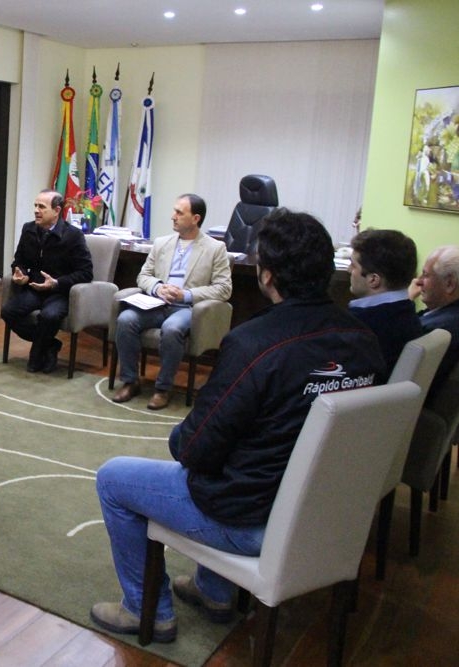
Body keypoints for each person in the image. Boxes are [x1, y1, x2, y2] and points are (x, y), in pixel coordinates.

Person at [91, 209, 384, 643]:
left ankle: (146, 608)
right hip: (325, 515)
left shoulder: (255, 344)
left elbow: (193, 450)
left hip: (252, 520)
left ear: (266, 276)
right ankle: (213, 589)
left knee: (115, 478)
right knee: (246, 449)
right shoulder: (366, 342)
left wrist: (183, 437)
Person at [112, 194, 232, 409]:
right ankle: (131, 381)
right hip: (157, 303)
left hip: (188, 308)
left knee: (172, 328)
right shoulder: (161, 243)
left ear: (195, 218)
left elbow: (224, 289)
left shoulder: (215, 248)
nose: (172, 216)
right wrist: (158, 287)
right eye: (174, 211)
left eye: (179, 213)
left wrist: (185, 294)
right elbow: (143, 276)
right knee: (126, 319)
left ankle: (163, 388)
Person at [0, 189, 93, 373]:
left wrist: (57, 283)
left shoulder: (73, 235)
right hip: (34, 288)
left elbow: (86, 273)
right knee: (8, 312)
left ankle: (37, 354)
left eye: (41, 207)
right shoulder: (29, 229)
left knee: (49, 316)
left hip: (59, 292)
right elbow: (19, 260)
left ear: (57, 211)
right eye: (35, 206)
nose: (36, 210)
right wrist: (21, 274)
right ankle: (50, 345)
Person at [347, 229, 422, 373]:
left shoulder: (359, 326)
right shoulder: (407, 312)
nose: (349, 270)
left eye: (353, 265)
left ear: (373, 279)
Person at [412, 245, 459, 401]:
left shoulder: (436, 329)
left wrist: (405, 302)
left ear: (449, 284)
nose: (418, 281)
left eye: (425, 275)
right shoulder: (446, 315)